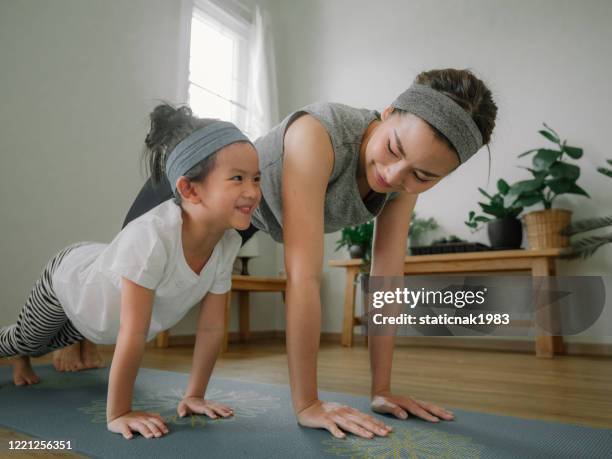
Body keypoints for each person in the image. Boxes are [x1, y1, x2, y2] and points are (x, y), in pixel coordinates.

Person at [58, 68, 498, 439]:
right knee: (112, 285)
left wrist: (381, 388)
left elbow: (386, 275)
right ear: (387, 114)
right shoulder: (319, 134)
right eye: (394, 150)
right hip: (199, 199)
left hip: (248, 220)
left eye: (422, 175)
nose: (394, 175)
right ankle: (73, 336)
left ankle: (83, 343)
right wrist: (307, 403)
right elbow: (303, 276)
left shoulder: (402, 180)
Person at [0, 104, 262, 440]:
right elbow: (133, 332)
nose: (253, 191)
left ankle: (27, 353)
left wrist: (194, 395)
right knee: (26, 339)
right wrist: (120, 412)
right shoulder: (153, 237)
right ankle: (20, 352)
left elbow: (211, 328)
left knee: (48, 342)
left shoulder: (226, 245)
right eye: (238, 178)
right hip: (67, 281)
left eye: (256, 178)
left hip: (95, 313)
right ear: (189, 189)